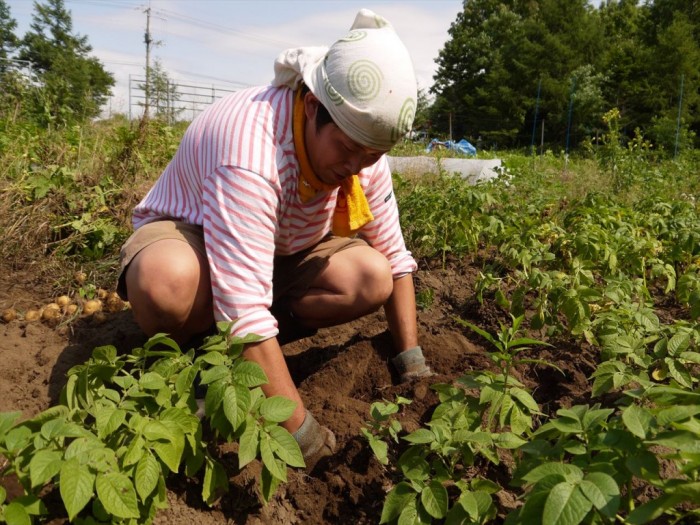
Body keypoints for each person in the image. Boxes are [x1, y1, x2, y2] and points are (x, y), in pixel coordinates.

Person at [117, 8, 431, 469]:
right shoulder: (251, 151)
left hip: (280, 250)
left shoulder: (360, 149)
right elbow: (241, 307)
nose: (356, 167)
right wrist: (303, 436)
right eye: (346, 150)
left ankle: (261, 348)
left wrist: (414, 364)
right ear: (310, 108)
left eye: (371, 157)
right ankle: (193, 352)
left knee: (372, 275)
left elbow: (395, 257)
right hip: (197, 239)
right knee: (167, 283)